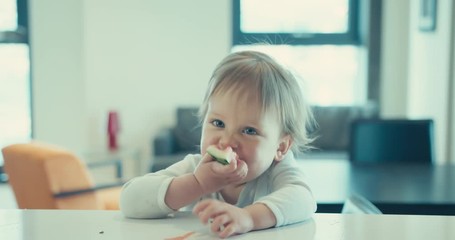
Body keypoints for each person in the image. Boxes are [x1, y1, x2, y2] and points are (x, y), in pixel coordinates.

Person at [120, 51, 317, 238]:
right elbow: (130, 200)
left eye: (249, 131)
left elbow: (304, 200)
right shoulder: (196, 168)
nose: (227, 141)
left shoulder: (276, 171)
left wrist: (248, 217)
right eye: (218, 123)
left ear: (280, 147)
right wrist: (197, 183)